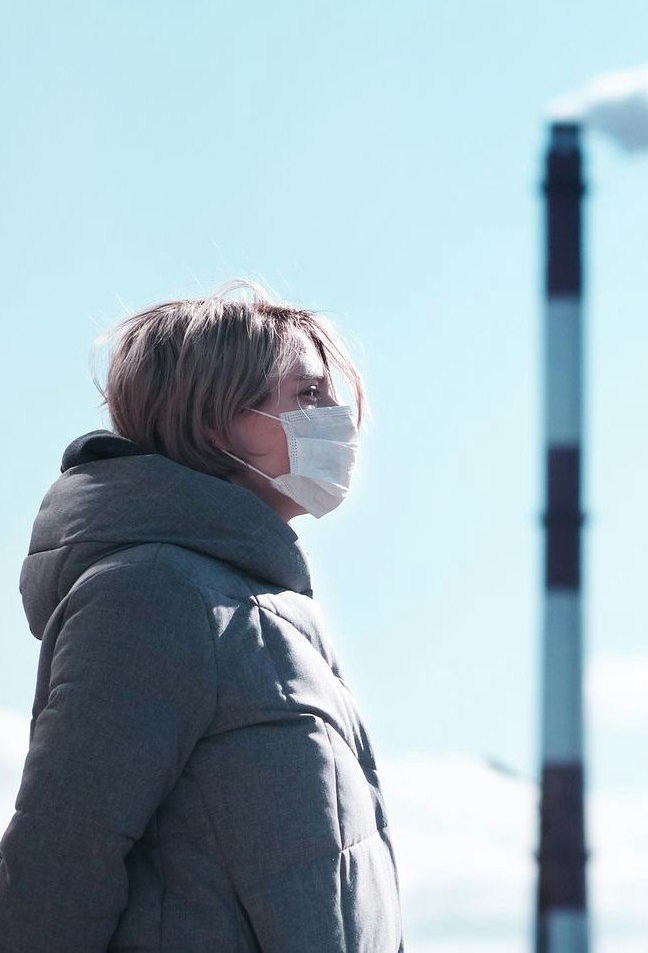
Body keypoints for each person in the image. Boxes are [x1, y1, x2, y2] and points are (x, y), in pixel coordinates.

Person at [0, 279, 404, 950]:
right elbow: (59, 862)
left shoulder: (268, 606)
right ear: (209, 419)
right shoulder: (156, 591)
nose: (338, 415)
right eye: (306, 393)